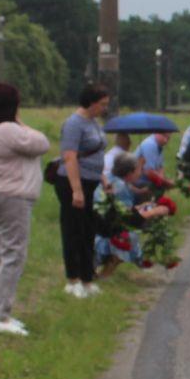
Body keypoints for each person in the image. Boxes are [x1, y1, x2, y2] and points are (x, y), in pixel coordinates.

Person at [0, 82, 48, 337]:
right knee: (13, 254)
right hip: (13, 197)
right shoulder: (9, 130)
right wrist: (19, 121)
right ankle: (1, 315)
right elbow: (42, 143)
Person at [57, 84, 112, 299]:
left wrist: (103, 178)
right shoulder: (74, 124)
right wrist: (76, 190)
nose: (105, 108)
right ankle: (73, 279)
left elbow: (95, 153)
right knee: (73, 231)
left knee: (89, 230)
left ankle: (87, 277)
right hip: (73, 183)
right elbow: (70, 157)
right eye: (102, 104)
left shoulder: (93, 123)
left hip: (92, 182)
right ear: (90, 102)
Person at [95, 155, 173, 278]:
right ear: (130, 173)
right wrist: (155, 212)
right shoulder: (120, 187)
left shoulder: (113, 180)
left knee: (127, 235)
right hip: (101, 234)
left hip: (97, 227)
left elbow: (119, 210)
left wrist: (141, 206)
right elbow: (128, 218)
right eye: (138, 170)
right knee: (128, 237)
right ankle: (104, 275)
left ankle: (101, 273)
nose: (140, 173)